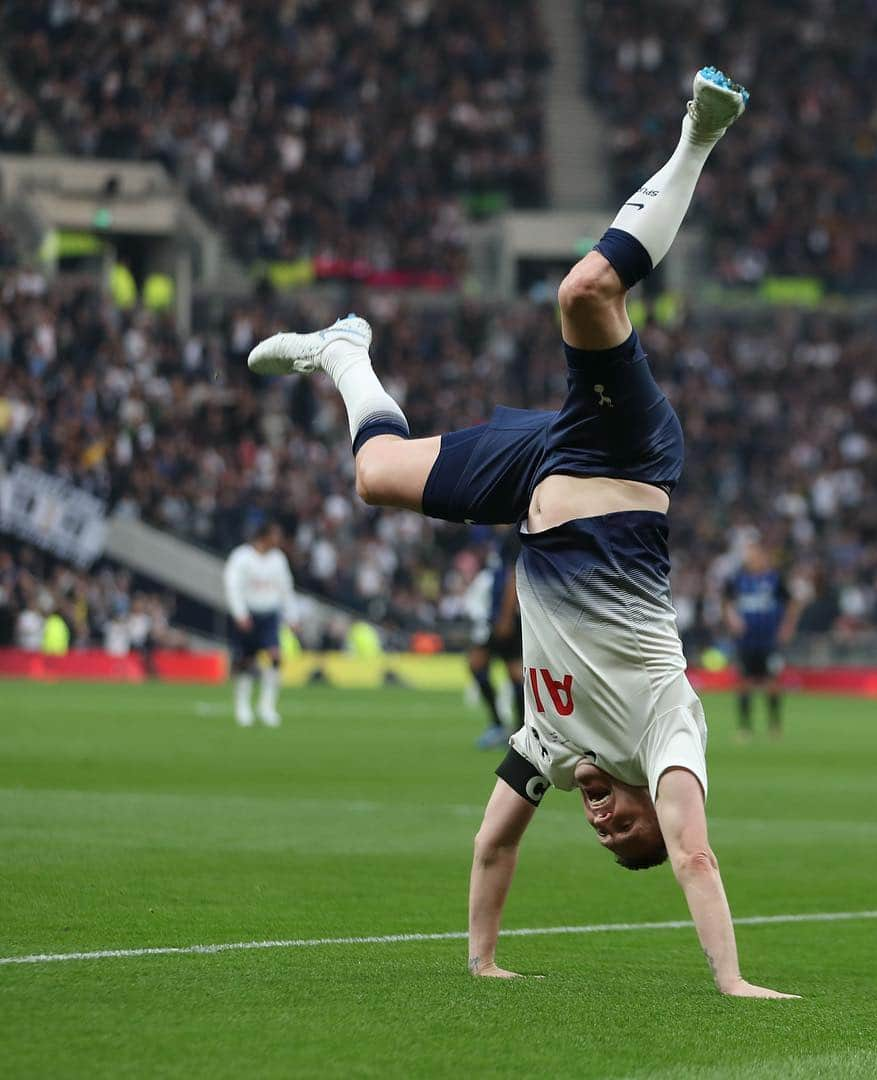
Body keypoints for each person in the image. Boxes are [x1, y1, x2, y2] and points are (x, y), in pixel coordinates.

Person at [249, 68, 796, 998]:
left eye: (604, 840)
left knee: (376, 475)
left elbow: (492, 841)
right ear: (655, 807)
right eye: (628, 830)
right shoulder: (669, 732)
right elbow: (698, 861)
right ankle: (701, 133)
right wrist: (732, 983)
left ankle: (344, 348)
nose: (602, 825)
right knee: (586, 292)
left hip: (536, 483)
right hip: (622, 459)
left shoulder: (550, 733)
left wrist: (482, 960)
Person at [723, 538, 804, 740]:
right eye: (750, 555)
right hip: (745, 640)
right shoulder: (738, 579)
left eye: (757, 555)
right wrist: (732, 619)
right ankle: (745, 727)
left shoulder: (775, 580)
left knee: (772, 681)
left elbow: (793, 603)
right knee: (743, 682)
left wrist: (787, 627)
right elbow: (726, 602)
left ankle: (774, 725)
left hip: (769, 640)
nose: (753, 559)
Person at [223, 520, 297, 728]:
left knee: (275, 656)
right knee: (246, 662)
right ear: (264, 536)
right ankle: (243, 707)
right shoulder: (242, 557)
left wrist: (292, 616)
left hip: (269, 615)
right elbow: (232, 586)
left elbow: (285, 588)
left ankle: (267, 707)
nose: (279, 540)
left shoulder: (278, 560)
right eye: (275, 535)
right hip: (248, 615)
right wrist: (240, 613)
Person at [468, 528, 525, 750]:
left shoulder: (513, 536)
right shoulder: (499, 537)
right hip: (495, 616)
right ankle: (505, 726)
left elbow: (514, 576)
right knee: (481, 666)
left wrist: (505, 616)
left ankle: (516, 728)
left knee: (512, 672)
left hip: (505, 617)